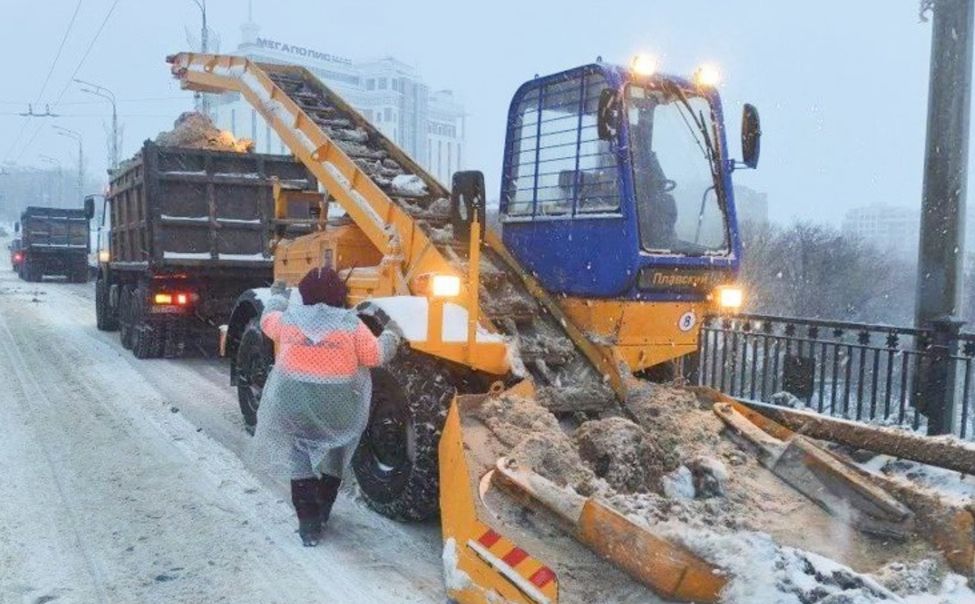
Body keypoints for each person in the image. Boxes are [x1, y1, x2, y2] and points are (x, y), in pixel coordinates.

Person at [253, 267, 400, 546]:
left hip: (294, 405)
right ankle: (323, 510)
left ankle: (308, 524)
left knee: (300, 457)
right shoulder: (351, 325)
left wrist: (278, 295)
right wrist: (393, 332)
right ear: (339, 296)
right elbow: (376, 355)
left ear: (305, 295)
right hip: (337, 408)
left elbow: (266, 320)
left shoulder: (289, 321)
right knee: (335, 454)